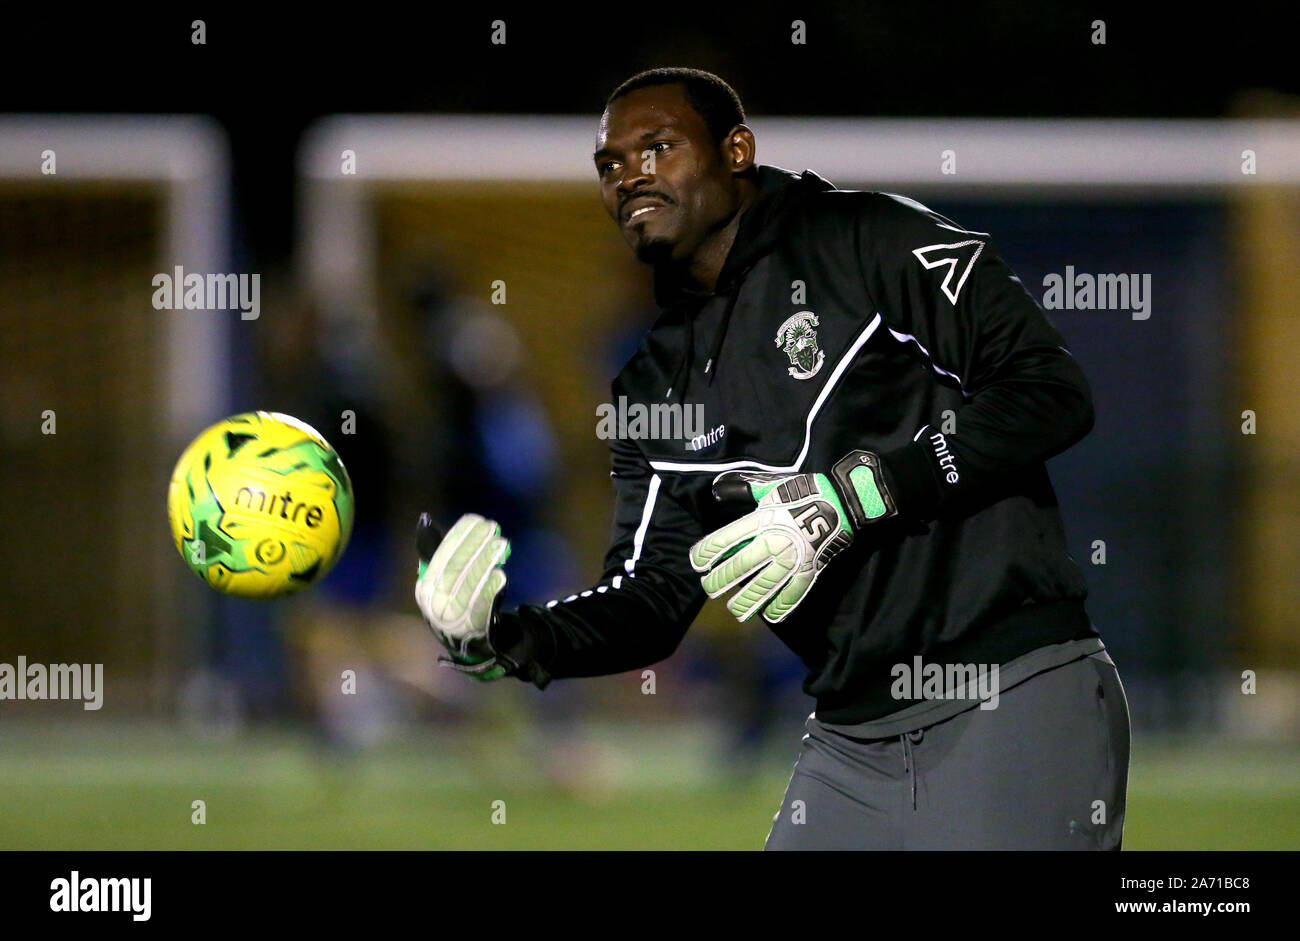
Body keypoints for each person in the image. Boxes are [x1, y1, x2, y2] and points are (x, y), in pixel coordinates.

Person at [414, 67, 1131, 850]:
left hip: (1013, 695)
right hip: (849, 744)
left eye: (658, 147)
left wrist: (856, 496)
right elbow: (650, 599)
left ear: (737, 150)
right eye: (611, 165)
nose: (631, 177)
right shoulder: (655, 381)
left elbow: (1049, 388)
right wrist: (498, 643)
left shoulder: (866, 239)